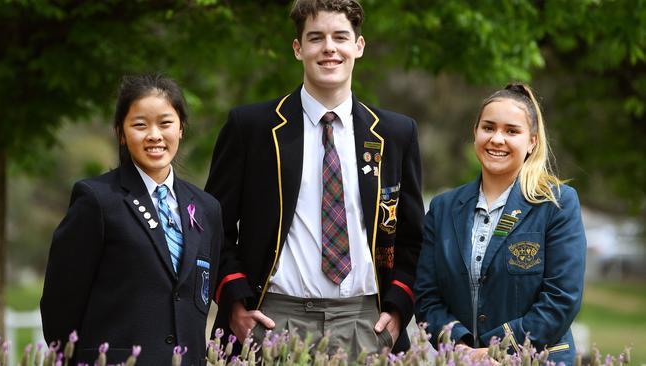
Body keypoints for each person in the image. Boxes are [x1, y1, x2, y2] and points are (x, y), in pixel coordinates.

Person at [204, 0, 424, 358]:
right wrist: (235, 305)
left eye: (340, 36)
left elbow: (413, 238)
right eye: (316, 38)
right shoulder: (252, 129)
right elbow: (214, 227)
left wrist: (398, 309)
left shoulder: (396, 134)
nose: (329, 48)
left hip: (367, 325)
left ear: (359, 46)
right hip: (274, 319)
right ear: (298, 48)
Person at [41, 74, 223, 366]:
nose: (154, 135)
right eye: (140, 125)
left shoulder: (207, 208)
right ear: (121, 133)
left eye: (165, 123)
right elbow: (60, 303)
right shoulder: (97, 200)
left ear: (181, 129)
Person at [414, 83, 586, 365]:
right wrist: (462, 347)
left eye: (511, 131)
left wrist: (498, 349)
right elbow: (427, 297)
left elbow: (562, 299)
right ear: (475, 133)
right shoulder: (443, 208)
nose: (497, 139)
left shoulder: (557, 204)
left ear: (532, 141)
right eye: (488, 127)